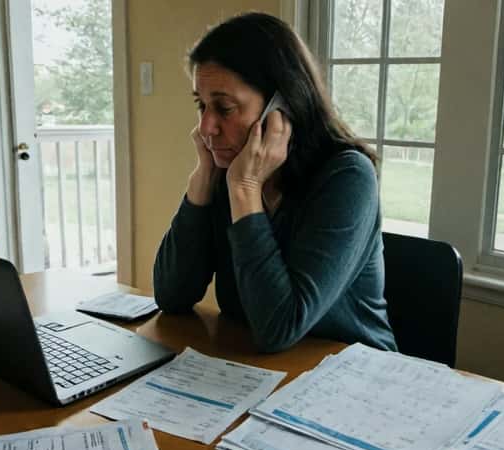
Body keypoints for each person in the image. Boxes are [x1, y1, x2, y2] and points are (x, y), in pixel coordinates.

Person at [153, 12, 397, 353]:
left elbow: (279, 327)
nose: (206, 127)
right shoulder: (228, 171)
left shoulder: (348, 178)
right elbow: (171, 296)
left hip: (355, 373)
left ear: (280, 107)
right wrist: (203, 177)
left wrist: (245, 190)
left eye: (224, 108)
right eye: (201, 105)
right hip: (259, 369)